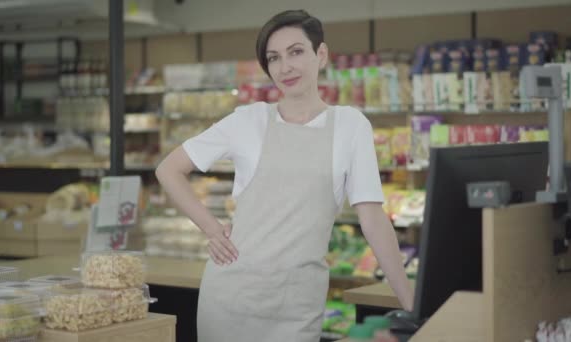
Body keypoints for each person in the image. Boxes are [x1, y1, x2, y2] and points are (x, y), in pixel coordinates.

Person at [155, 9, 414, 342]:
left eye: (296, 52)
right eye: (274, 58)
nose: (285, 66)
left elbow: (373, 220)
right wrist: (213, 229)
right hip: (230, 299)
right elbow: (169, 169)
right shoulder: (247, 121)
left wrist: (410, 305)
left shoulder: (351, 126)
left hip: (297, 306)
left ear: (320, 55)